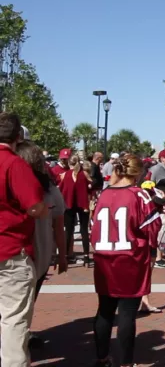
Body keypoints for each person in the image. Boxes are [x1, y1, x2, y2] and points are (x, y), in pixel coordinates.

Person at [91, 154, 164, 367]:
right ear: (138, 173)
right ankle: (125, 362)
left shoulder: (104, 194)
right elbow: (152, 229)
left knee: (104, 309)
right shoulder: (139, 195)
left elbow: (94, 227)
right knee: (126, 313)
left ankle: (102, 357)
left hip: (104, 257)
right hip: (129, 259)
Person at [0, 113, 48, 367]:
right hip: (10, 250)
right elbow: (35, 206)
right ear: (18, 137)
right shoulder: (13, 164)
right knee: (14, 317)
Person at [15, 141, 68, 345]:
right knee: (24, 305)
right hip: (37, 256)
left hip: (26, 254)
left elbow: (59, 224)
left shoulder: (49, 190)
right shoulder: (50, 190)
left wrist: (62, 256)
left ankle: (20, 337)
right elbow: (59, 227)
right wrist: (62, 256)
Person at [59, 154, 93, 266]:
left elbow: (62, 189)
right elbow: (91, 185)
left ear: (69, 163)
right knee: (84, 231)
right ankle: (86, 256)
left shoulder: (65, 175)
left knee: (68, 231)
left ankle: (66, 256)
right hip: (83, 205)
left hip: (69, 204)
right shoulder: (84, 174)